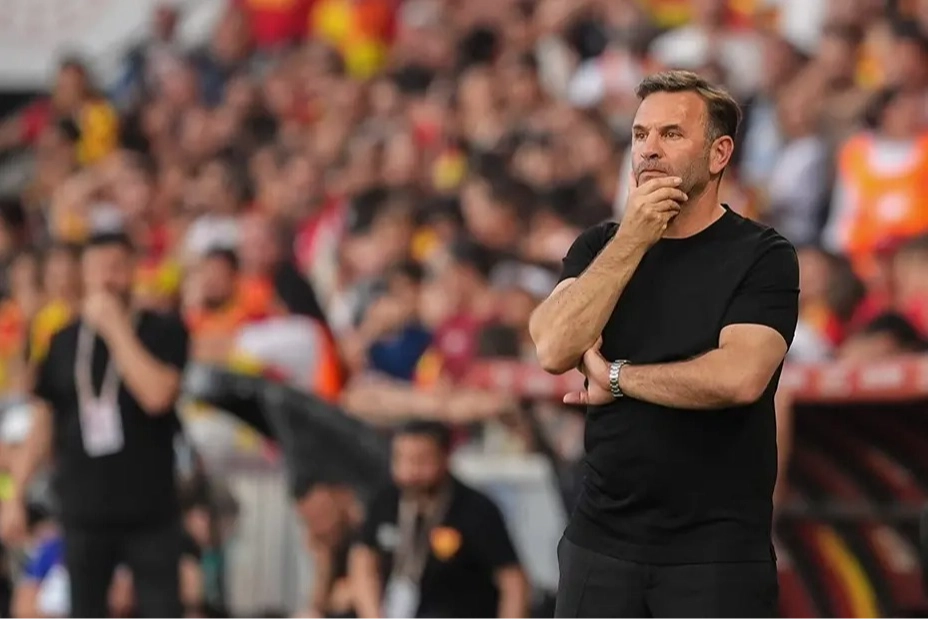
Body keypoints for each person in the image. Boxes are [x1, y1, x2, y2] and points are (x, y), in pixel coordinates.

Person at [529, 70, 800, 619]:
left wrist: (616, 377)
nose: (649, 149)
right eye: (640, 134)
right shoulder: (601, 246)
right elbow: (553, 347)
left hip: (715, 552)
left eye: (671, 134)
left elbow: (738, 378)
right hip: (600, 541)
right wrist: (633, 238)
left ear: (719, 154)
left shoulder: (763, 255)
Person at [0, 231, 190, 619]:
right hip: (83, 510)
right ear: (84, 274)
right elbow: (44, 421)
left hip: (150, 509)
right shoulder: (63, 340)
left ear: (133, 269)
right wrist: (16, 495)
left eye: (116, 268)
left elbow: (157, 395)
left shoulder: (163, 330)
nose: (107, 279)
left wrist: (116, 329)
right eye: (98, 269)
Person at [349, 420, 529, 619]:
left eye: (421, 460)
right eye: (402, 459)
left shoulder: (476, 509)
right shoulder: (385, 501)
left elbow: (512, 581)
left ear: (444, 456)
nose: (411, 471)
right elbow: (364, 558)